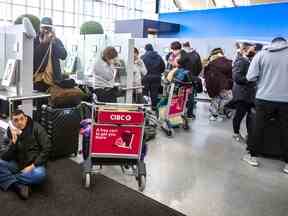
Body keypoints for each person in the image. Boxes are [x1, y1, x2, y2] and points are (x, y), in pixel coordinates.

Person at [245, 37, 288, 172]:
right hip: (286, 100)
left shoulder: (261, 54)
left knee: (258, 127)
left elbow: (250, 77)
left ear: (272, 43)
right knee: (286, 130)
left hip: (264, 97)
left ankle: (253, 157)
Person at [0, 110, 51, 200]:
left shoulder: (37, 128)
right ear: (12, 122)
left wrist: (32, 165)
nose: (19, 122)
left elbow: (46, 149)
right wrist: (13, 143)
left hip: (33, 164)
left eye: (21, 119)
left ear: (26, 118)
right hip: (17, 163)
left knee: (40, 175)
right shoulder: (9, 131)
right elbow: (4, 156)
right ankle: (17, 185)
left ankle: (8, 179)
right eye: (16, 120)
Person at [33, 17, 67, 92]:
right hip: (38, 81)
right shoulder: (34, 41)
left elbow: (63, 55)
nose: (46, 30)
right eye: (44, 28)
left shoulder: (56, 40)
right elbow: (34, 59)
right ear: (40, 28)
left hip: (54, 81)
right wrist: (43, 44)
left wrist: (53, 41)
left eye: (48, 28)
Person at [232, 43, 257, 142]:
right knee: (239, 114)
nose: (254, 51)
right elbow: (236, 77)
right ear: (245, 50)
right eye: (252, 49)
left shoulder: (249, 61)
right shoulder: (241, 61)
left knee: (250, 116)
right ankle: (236, 133)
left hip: (249, 94)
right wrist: (250, 79)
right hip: (242, 94)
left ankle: (249, 135)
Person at [203, 48, 233, 121]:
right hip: (222, 85)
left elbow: (205, 74)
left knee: (216, 98)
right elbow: (229, 72)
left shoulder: (210, 63)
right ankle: (220, 110)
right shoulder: (225, 62)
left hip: (212, 85)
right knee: (228, 97)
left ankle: (214, 115)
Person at [141, 44, 165, 110]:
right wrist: (158, 72)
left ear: (145, 49)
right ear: (152, 48)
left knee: (145, 92)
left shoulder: (143, 57)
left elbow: (140, 68)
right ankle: (154, 107)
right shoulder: (159, 57)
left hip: (146, 77)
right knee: (154, 93)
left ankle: (145, 107)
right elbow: (163, 67)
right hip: (156, 77)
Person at [183, 41, 203, 119]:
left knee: (179, 96)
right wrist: (194, 75)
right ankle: (190, 114)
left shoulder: (182, 54)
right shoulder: (196, 54)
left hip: (181, 80)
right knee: (191, 96)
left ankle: (177, 113)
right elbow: (200, 67)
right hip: (192, 79)